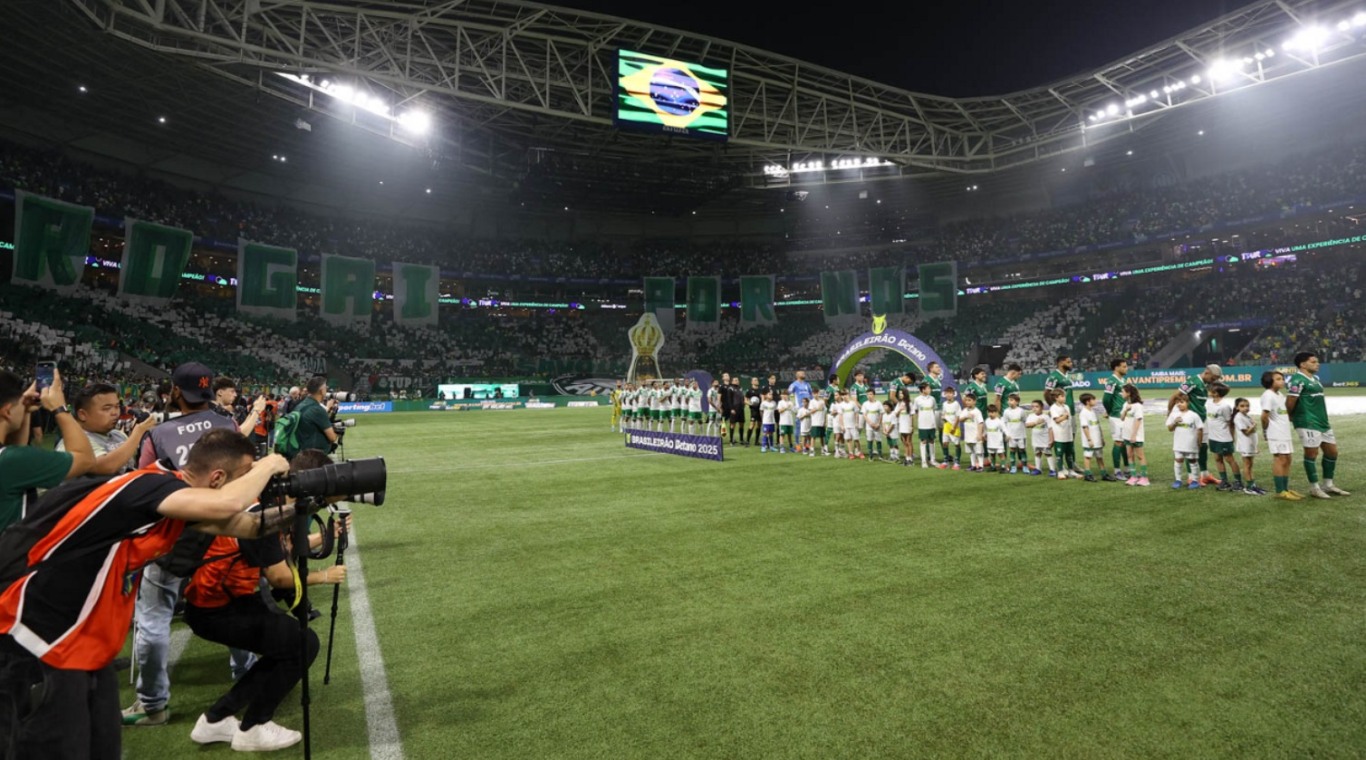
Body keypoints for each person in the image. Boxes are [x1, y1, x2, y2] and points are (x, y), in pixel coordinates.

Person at [0, 431, 295, 760]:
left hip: (80, 647)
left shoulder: (166, 499)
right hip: (35, 637)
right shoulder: (149, 485)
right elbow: (228, 503)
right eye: (245, 477)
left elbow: (250, 526)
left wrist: (304, 503)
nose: (252, 487)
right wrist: (268, 465)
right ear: (217, 478)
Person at [183, 449, 347, 752]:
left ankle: (216, 719)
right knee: (302, 644)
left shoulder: (268, 500)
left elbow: (278, 551)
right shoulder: (263, 511)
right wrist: (324, 576)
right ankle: (254, 726)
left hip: (220, 601)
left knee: (285, 646)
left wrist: (322, 536)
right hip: (217, 609)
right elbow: (280, 577)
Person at [127, 362, 243, 727]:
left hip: (173, 536)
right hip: (226, 530)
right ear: (209, 391)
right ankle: (246, 675)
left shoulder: (158, 434)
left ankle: (153, 705)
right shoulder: (228, 424)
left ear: (176, 391)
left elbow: (143, 485)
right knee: (237, 606)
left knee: (154, 619)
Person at [0, 368, 96, 532]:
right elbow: (86, 459)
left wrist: (24, 409)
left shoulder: (12, 460)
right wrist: (59, 408)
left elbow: (16, 452)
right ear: (7, 411)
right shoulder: (12, 460)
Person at [1285, 351, 1349, 498]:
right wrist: (1293, 417)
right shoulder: (1297, 380)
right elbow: (1290, 402)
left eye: (1317, 361)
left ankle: (1328, 485)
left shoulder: (1315, 379)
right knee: (1311, 454)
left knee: (1332, 452)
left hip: (1322, 421)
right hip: (1308, 422)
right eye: (1313, 362)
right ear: (1302, 364)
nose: (1317, 364)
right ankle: (1314, 487)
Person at [58, 383, 159, 476]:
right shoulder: (72, 443)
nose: (115, 412)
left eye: (117, 406)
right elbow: (106, 466)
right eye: (107, 408)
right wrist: (138, 432)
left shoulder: (118, 435)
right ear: (83, 415)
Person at [1168, 364, 1223, 486]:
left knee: (1203, 447)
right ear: (1207, 372)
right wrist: (1170, 413)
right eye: (1213, 378)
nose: (1214, 381)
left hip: (1202, 419)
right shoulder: (1193, 381)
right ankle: (1191, 477)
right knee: (1190, 448)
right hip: (1191, 420)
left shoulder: (1205, 384)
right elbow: (1175, 395)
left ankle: (1204, 474)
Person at [1260, 371, 1300, 500]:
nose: (1282, 381)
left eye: (1282, 378)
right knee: (1280, 459)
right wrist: (1265, 431)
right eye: (1278, 379)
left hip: (1284, 432)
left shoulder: (1279, 394)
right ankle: (1280, 491)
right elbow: (1264, 416)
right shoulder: (1268, 395)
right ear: (1269, 381)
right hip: (1276, 433)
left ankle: (1285, 488)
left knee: (1288, 459)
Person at [1044, 355, 1080, 476]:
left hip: (1070, 412)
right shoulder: (1053, 376)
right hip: (1060, 414)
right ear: (1060, 363)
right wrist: (1053, 407)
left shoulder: (1067, 376)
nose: (1071, 363)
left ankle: (1072, 464)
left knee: (1071, 439)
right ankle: (1061, 466)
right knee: (1060, 440)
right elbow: (1046, 393)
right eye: (1068, 362)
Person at [288, 377, 341, 458]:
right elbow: (332, 438)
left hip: (302, 453)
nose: (327, 389)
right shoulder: (317, 409)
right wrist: (338, 431)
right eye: (325, 387)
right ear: (321, 390)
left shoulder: (302, 405)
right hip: (315, 458)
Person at [1100, 359, 1132, 480]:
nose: (1126, 368)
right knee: (1118, 442)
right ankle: (1117, 471)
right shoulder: (1111, 381)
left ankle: (1127, 469)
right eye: (1124, 366)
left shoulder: (1123, 380)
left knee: (1125, 442)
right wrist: (1109, 411)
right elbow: (1106, 399)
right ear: (1116, 368)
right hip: (1116, 416)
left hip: (1124, 415)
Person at [1205, 383, 1239, 492]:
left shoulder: (1224, 406)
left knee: (1229, 459)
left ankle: (1238, 481)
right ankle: (1224, 481)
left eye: (1211, 389)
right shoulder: (1209, 403)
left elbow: (1230, 423)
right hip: (1213, 437)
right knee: (1217, 459)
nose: (1209, 391)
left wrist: (1232, 437)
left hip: (1224, 438)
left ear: (1216, 393)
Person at [1166, 394, 1204, 490]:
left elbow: (1200, 429)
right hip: (1178, 443)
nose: (1179, 404)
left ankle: (1195, 480)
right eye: (1177, 402)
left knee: (1192, 460)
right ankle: (1178, 480)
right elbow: (1170, 429)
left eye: (1182, 402)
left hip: (1191, 443)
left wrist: (1199, 442)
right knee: (1178, 460)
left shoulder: (1193, 415)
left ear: (1187, 403)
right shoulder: (1174, 415)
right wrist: (1175, 422)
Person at [1233, 397, 1264, 495]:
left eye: (1247, 406)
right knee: (1247, 465)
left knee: (1250, 464)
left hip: (1250, 445)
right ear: (1237, 407)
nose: (1245, 408)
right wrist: (1253, 426)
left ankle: (1253, 485)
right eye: (1242, 406)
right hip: (1245, 445)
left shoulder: (1246, 416)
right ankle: (1249, 486)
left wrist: (1255, 446)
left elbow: (1252, 432)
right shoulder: (1238, 417)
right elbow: (1246, 432)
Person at [1120, 384, 1150, 486]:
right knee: (1129, 455)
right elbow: (1122, 418)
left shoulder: (1138, 406)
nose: (1121, 393)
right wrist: (1125, 410)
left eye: (1123, 391)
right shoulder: (1126, 405)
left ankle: (1145, 478)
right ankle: (1133, 476)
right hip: (1126, 435)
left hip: (1136, 436)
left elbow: (1138, 420)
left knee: (1140, 456)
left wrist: (1133, 435)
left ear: (1128, 393)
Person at [1048, 389, 1079, 480]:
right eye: (1062, 396)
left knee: (1069, 453)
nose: (1064, 398)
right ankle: (1060, 471)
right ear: (1056, 398)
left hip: (1068, 434)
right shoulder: (1053, 408)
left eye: (1064, 396)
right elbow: (1057, 420)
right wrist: (1065, 416)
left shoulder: (1066, 407)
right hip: (1059, 435)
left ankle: (1071, 470)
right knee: (1059, 454)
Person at [1077, 393, 1104, 482]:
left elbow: (1097, 425)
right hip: (1090, 439)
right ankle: (1088, 474)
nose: (1095, 401)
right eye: (1093, 399)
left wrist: (1102, 438)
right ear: (1088, 401)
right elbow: (1085, 427)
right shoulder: (1083, 413)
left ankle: (1104, 473)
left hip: (1097, 438)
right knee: (1088, 456)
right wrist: (1089, 439)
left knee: (1099, 456)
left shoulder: (1093, 411)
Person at [1025, 399, 1053, 476]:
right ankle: (1038, 469)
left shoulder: (1046, 417)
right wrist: (1036, 422)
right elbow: (1027, 425)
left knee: (1048, 454)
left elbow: (1051, 429)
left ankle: (1052, 470)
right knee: (1037, 453)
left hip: (1045, 440)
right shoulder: (1031, 416)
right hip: (1035, 440)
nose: (1034, 408)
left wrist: (1051, 440)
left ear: (1042, 407)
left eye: (1037, 406)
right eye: (1033, 406)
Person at [913, 383, 938, 468]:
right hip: (922, 424)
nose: (930, 390)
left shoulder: (932, 399)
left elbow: (934, 410)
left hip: (931, 423)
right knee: (923, 442)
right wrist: (918, 421)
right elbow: (915, 411)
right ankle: (924, 461)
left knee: (932, 441)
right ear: (923, 390)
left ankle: (933, 460)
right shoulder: (917, 399)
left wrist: (933, 421)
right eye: (928, 388)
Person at [1002, 394, 1028, 474]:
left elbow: (1025, 421)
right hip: (1011, 436)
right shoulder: (1006, 411)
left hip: (1021, 435)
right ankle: (1013, 467)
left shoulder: (1021, 411)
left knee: (1022, 451)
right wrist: (1007, 434)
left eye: (1011, 400)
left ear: (1017, 402)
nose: (1009, 402)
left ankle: (1024, 466)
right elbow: (1004, 424)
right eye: (1009, 400)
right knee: (1012, 451)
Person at [938, 386, 962, 469]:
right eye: (947, 393)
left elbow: (958, 416)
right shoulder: (944, 404)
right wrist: (943, 418)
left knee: (957, 444)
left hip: (954, 427)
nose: (948, 395)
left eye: (950, 393)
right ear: (945, 394)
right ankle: (946, 461)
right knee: (945, 443)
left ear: (953, 394)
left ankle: (957, 462)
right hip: (946, 426)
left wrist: (954, 427)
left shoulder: (956, 404)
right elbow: (944, 414)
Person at [960, 394, 984, 472]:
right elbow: (960, 419)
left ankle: (980, 466)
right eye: (966, 400)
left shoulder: (977, 411)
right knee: (971, 451)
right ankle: (973, 465)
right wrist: (967, 416)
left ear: (974, 402)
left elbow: (981, 423)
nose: (967, 402)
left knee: (978, 451)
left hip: (975, 434)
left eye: (969, 400)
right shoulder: (965, 411)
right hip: (968, 434)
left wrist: (979, 434)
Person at [860, 390, 884, 461]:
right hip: (869, 426)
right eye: (867, 394)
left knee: (878, 440)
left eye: (870, 394)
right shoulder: (865, 404)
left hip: (877, 426)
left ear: (874, 395)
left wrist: (878, 423)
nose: (869, 396)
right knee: (869, 440)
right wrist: (870, 423)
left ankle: (880, 455)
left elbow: (881, 414)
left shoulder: (878, 403)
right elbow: (864, 415)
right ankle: (871, 456)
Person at [983, 405, 1007, 473]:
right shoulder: (987, 420)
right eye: (989, 412)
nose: (990, 414)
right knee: (992, 454)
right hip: (990, 441)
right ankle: (993, 466)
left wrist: (1007, 435)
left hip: (998, 442)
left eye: (992, 412)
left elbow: (1004, 429)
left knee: (1001, 454)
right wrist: (984, 435)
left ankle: (1003, 467)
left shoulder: (999, 421)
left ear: (996, 412)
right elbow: (985, 429)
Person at [895, 388, 914, 466]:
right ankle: (906, 458)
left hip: (908, 425)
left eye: (901, 393)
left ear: (905, 394)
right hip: (901, 425)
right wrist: (900, 409)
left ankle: (910, 459)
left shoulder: (909, 403)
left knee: (908, 442)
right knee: (904, 442)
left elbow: (912, 415)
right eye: (899, 394)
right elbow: (896, 414)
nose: (900, 395)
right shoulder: (899, 404)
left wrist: (912, 426)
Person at [808, 394, 827, 458]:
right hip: (815, 422)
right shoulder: (812, 402)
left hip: (821, 422)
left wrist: (825, 421)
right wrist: (817, 408)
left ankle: (823, 449)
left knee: (822, 436)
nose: (815, 395)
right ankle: (812, 450)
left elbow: (824, 411)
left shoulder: (822, 402)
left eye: (816, 393)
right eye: (814, 394)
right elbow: (810, 411)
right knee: (813, 437)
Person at [745, 378, 763, 447]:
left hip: (760, 409)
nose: (757, 381)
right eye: (755, 380)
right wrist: (750, 403)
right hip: (753, 410)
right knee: (752, 425)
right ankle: (747, 441)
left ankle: (756, 441)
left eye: (757, 380)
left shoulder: (760, 390)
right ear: (752, 382)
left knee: (759, 425)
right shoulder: (749, 391)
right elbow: (745, 400)